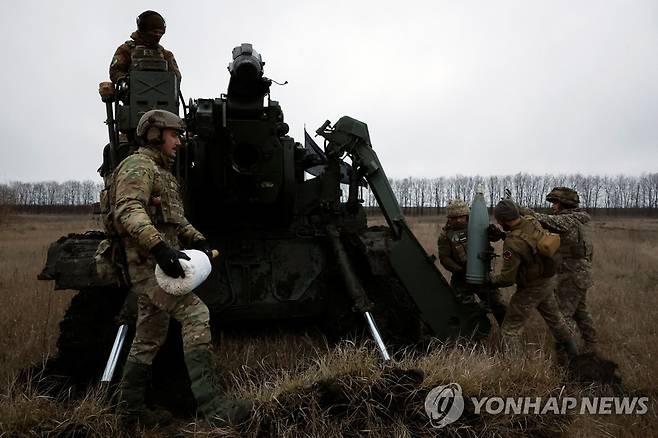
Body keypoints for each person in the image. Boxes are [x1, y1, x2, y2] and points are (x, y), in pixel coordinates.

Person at [113, 109, 251, 427]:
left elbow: (176, 220)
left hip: (158, 266)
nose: (179, 141)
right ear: (154, 134)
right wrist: (160, 248)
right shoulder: (139, 165)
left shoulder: (163, 173)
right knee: (196, 314)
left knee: (149, 336)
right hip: (148, 267)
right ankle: (213, 406)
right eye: (174, 135)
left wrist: (198, 239)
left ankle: (130, 411)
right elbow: (128, 210)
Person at [489, 200, 578, 358]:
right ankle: (573, 354)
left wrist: (488, 280)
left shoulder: (512, 243)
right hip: (547, 281)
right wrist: (503, 235)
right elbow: (528, 243)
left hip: (531, 288)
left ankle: (515, 369)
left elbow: (507, 279)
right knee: (556, 320)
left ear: (502, 220)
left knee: (510, 329)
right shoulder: (531, 221)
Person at [519, 187, 597, 352]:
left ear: (565, 204)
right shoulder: (579, 219)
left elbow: (547, 221)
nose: (553, 206)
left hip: (572, 275)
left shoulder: (570, 220)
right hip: (580, 274)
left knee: (563, 315)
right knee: (580, 311)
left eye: (555, 203)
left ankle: (566, 356)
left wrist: (522, 211)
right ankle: (591, 346)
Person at [437, 200, 506, 325]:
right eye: (454, 217)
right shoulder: (446, 236)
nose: (458, 220)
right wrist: (459, 270)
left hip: (483, 275)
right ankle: (475, 333)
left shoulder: (478, 226)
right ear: (449, 218)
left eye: (461, 216)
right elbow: (444, 258)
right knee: (465, 309)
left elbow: (495, 238)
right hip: (461, 278)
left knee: (498, 305)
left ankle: (508, 336)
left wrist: (495, 233)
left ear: (467, 216)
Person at [109, 10, 181, 83]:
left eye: (160, 33)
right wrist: (126, 80)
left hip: (161, 93)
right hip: (131, 92)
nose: (158, 35)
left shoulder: (166, 55)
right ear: (143, 31)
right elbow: (115, 72)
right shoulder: (126, 49)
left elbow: (176, 78)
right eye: (154, 32)